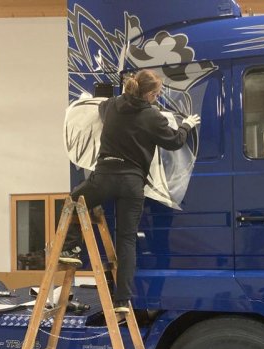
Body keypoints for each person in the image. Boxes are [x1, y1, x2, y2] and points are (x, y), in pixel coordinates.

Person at [59, 69, 201, 313]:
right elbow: (174, 142)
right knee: (126, 239)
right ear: (148, 94)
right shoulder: (153, 116)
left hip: (105, 177)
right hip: (132, 183)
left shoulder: (113, 105)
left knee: (73, 202)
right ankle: (122, 300)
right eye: (156, 93)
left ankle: (71, 248)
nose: (158, 96)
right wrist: (186, 126)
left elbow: (100, 109)